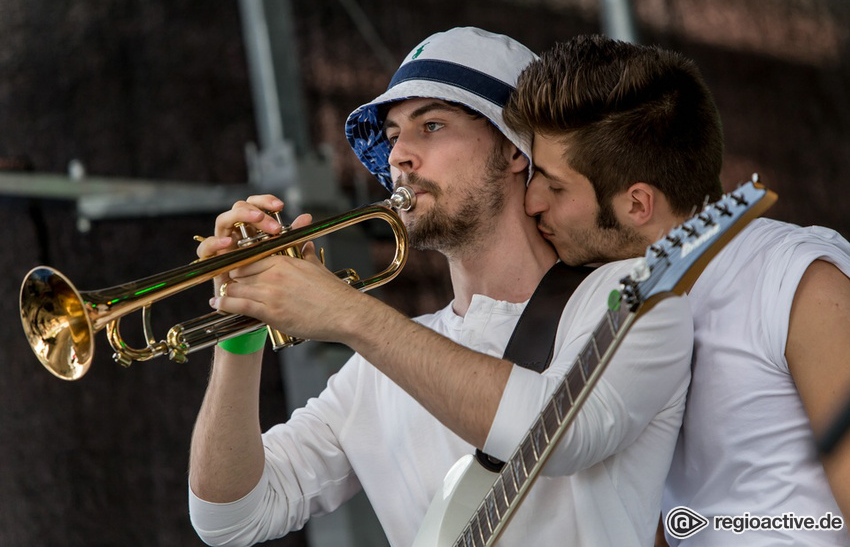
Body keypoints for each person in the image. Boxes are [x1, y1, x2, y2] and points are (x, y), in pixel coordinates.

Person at [188, 27, 693, 547]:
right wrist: (240, 330)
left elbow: (561, 432)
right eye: (391, 135)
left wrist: (349, 315)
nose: (399, 156)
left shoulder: (633, 296)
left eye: (431, 125)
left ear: (514, 148)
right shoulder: (376, 370)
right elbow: (230, 520)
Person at [502, 34, 850, 546]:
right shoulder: (620, 298)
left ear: (638, 205)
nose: (531, 201)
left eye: (554, 186)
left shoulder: (797, 281)